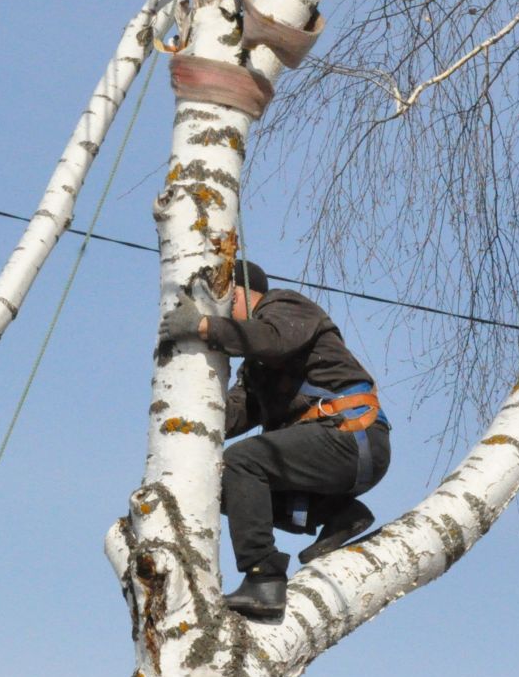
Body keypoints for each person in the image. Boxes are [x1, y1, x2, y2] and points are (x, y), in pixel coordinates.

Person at [158, 261, 391, 621]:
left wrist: (205, 326)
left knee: (243, 462)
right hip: (326, 449)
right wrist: (186, 420)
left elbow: (274, 340)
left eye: (221, 304)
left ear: (241, 293)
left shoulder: (285, 306)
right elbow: (240, 410)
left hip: (351, 436)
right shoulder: (257, 368)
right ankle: (335, 513)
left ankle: (263, 576)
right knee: (220, 486)